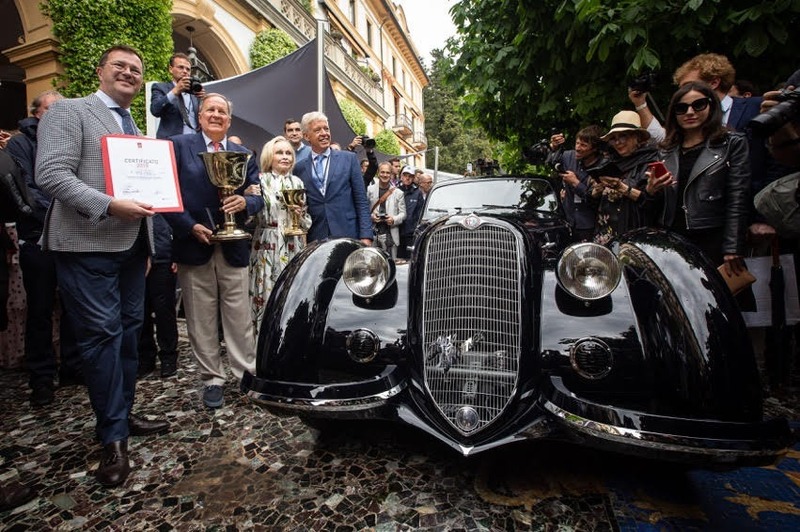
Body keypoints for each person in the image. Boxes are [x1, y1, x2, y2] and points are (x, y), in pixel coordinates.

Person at [35, 45, 169, 488]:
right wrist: (109, 205)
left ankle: (122, 416)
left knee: (130, 334)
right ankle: (111, 438)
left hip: (131, 249)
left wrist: (147, 244)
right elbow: (51, 174)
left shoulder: (135, 127)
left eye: (136, 69)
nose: (129, 73)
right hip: (85, 244)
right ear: (100, 71)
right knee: (102, 339)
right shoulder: (70, 111)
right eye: (120, 66)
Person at [163, 93, 263, 409]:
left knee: (239, 314)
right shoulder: (179, 147)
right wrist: (188, 226)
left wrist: (246, 202)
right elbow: (168, 194)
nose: (216, 114)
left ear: (229, 120)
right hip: (195, 243)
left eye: (222, 111)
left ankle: (246, 373)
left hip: (234, 245)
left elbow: (259, 194)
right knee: (200, 316)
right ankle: (212, 379)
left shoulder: (244, 153)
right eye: (211, 110)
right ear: (200, 115)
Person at [5, 90, 85, 405]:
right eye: (53, 108)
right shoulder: (20, 144)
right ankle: (41, 378)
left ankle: (72, 367)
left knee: (72, 307)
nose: (59, 113)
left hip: (71, 238)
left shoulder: (70, 138)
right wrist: (66, 208)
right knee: (39, 310)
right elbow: (26, 190)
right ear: (37, 112)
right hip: (37, 238)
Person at [646, 81, 750, 273]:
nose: (690, 112)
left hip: (713, 237)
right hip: (673, 241)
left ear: (711, 106)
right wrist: (651, 192)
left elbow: (738, 197)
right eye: (682, 108)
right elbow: (653, 208)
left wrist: (733, 246)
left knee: (723, 299)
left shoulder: (731, 143)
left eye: (698, 105)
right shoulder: (664, 151)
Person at [247, 136, 310, 336]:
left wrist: (300, 215)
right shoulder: (259, 181)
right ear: (269, 156)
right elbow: (249, 218)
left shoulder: (297, 181)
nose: (285, 157)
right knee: (265, 294)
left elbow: (306, 221)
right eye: (279, 152)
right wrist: (247, 196)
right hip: (267, 244)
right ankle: (262, 346)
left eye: (288, 153)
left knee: (292, 294)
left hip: (293, 245)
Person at [294, 111, 373, 244]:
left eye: (326, 128)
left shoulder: (349, 159)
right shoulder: (299, 168)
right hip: (316, 237)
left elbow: (361, 200)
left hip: (348, 234)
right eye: (318, 130)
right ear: (306, 136)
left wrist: (366, 236)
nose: (324, 133)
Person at [592, 111, 658, 246]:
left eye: (623, 137)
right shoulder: (610, 162)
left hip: (634, 237)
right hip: (605, 234)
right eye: (614, 138)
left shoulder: (651, 162)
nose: (617, 142)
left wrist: (621, 187)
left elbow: (653, 203)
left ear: (637, 137)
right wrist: (597, 191)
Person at [137, 214, 178, 378]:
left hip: (163, 251)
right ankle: (145, 357)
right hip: (136, 253)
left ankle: (169, 356)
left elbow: (176, 217)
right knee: (140, 309)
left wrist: (176, 253)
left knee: (164, 310)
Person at [548, 125, 605, 243]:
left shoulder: (603, 167)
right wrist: (554, 147)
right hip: (567, 221)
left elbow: (595, 199)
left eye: (584, 145)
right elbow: (550, 163)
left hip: (590, 226)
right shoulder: (568, 156)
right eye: (577, 143)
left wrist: (575, 183)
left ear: (594, 149)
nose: (578, 148)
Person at [150, 52, 203, 139]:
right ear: (171, 69)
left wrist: (204, 100)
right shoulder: (160, 87)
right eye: (181, 67)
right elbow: (155, 110)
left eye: (188, 69)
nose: (185, 71)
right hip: (171, 141)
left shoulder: (194, 93)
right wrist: (175, 91)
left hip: (194, 141)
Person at [368, 162, 406, 258]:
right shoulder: (370, 190)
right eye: (382, 172)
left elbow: (403, 214)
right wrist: (371, 217)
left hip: (391, 235)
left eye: (388, 173)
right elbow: (363, 211)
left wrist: (393, 219)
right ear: (378, 173)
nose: (385, 175)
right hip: (372, 233)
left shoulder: (398, 193)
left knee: (390, 265)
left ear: (391, 174)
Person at [396, 165, 422, 259]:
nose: (407, 178)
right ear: (401, 176)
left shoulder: (417, 192)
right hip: (396, 232)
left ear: (413, 178)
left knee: (410, 260)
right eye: (405, 175)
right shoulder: (395, 190)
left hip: (411, 234)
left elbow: (420, 213)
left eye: (410, 176)